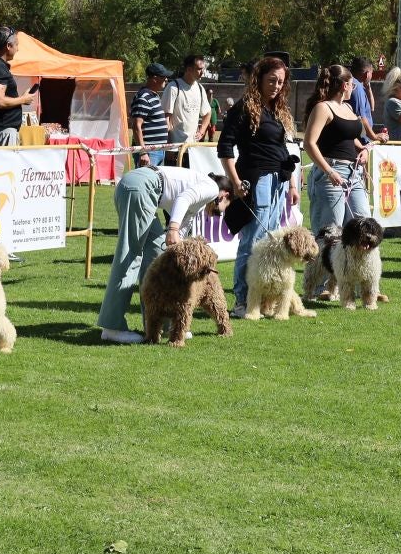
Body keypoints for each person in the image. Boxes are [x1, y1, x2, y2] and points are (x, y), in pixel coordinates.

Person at [96, 165, 230, 342]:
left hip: (140, 188)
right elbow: (182, 199)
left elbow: (182, 226)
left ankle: (165, 325)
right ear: (225, 195)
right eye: (220, 211)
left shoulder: (199, 200)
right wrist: (172, 228)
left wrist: (177, 240)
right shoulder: (211, 188)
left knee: (157, 250)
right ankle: (112, 327)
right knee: (130, 256)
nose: (214, 215)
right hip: (140, 187)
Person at [218, 54, 297, 316]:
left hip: (279, 180)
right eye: (271, 80)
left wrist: (293, 184)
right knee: (253, 241)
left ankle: (264, 301)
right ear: (259, 78)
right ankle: (241, 300)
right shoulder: (243, 108)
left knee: (271, 242)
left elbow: (286, 146)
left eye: (280, 82)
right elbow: (225, 147)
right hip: (256, 179)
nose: (275, 86)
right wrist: (236, 182)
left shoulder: (279, 110)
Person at [302, 63, 371, 237]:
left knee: (362, 226)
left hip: (353, 173)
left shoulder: (347, 107)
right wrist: (329, 171)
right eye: (352, 85)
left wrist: (363, 149)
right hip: (331, 173)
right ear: (344, 85)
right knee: (331, 233)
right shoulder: (323, 108)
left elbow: (348, 136)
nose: (353, 89)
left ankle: (351, 265)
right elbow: (309, 143)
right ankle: (321, 264)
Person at [0, 26, 36, 147]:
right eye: (16, 45)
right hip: (3, 134)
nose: (18, 49)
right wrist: (23, 99)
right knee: (6, 167)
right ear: (8, 46)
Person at [163, 53, 213, 154]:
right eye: (199, 69)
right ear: (189, 69)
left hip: (193, 148)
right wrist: (168, 147)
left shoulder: (200, 88)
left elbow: (207, 113)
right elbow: (166, 118)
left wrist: (201, 131)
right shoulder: (173, 87)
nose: (202, 72)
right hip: (175, 148)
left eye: (203, 69)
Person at [130, 62, 170, 167]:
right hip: (149, 152)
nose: (166, 79)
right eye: (164, 77)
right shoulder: (143, 97)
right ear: (155, 78)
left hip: (158, 151)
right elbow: (136, 126)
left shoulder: (154, 96)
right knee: (146, 182)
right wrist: (143, 152)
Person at [347, 56, 385, 141]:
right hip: (360, 140)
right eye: (372, 73)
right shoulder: (357, 88)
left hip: (359, 138)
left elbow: (372, 108)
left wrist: (368, 87)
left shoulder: (356, 85)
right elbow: (361, 118)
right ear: (367, 74)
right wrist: (374, 137)